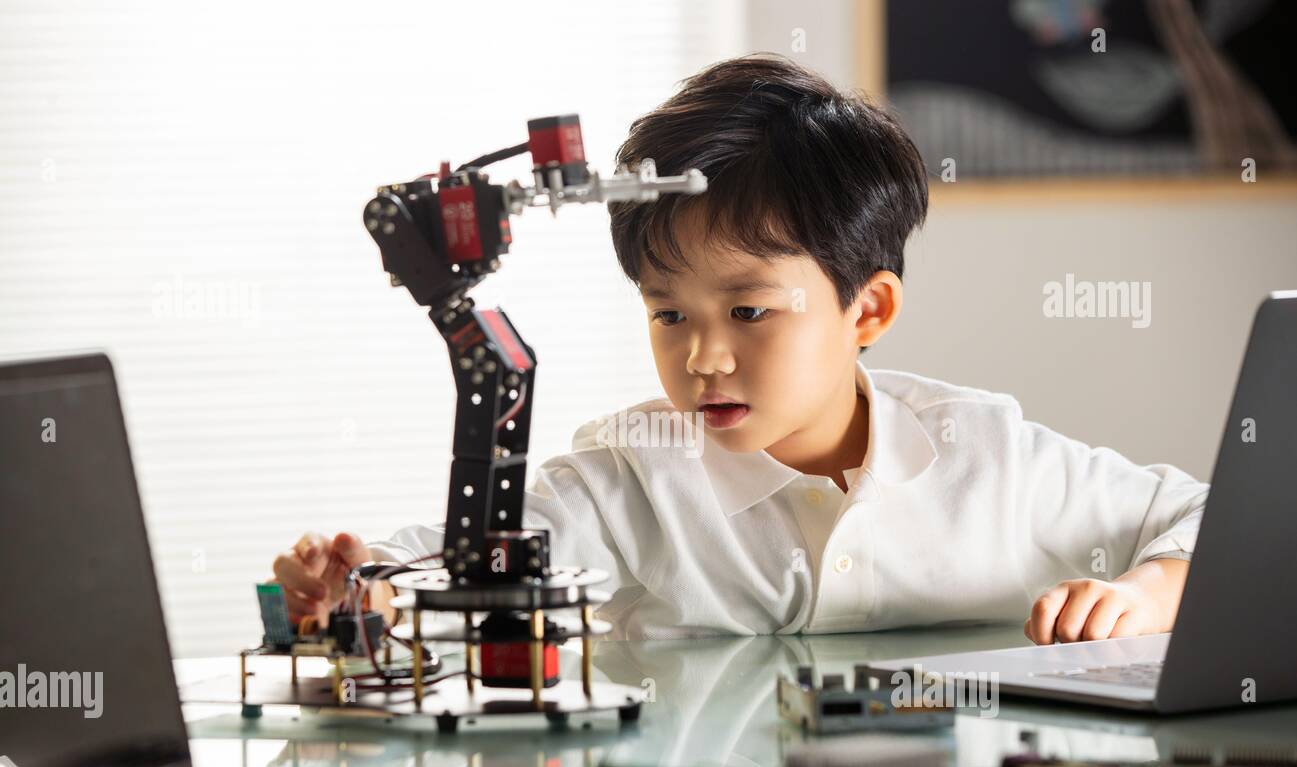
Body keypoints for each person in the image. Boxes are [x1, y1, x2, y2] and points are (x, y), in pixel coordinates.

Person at [269, 55, 1206, 644]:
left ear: (868, 311)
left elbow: (1217, 520)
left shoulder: (990, 458)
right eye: (667, 315)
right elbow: (471, 553)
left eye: (750, 312)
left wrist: (1149, 594)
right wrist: (363, 588)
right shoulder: (632, 479)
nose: (703, 358)